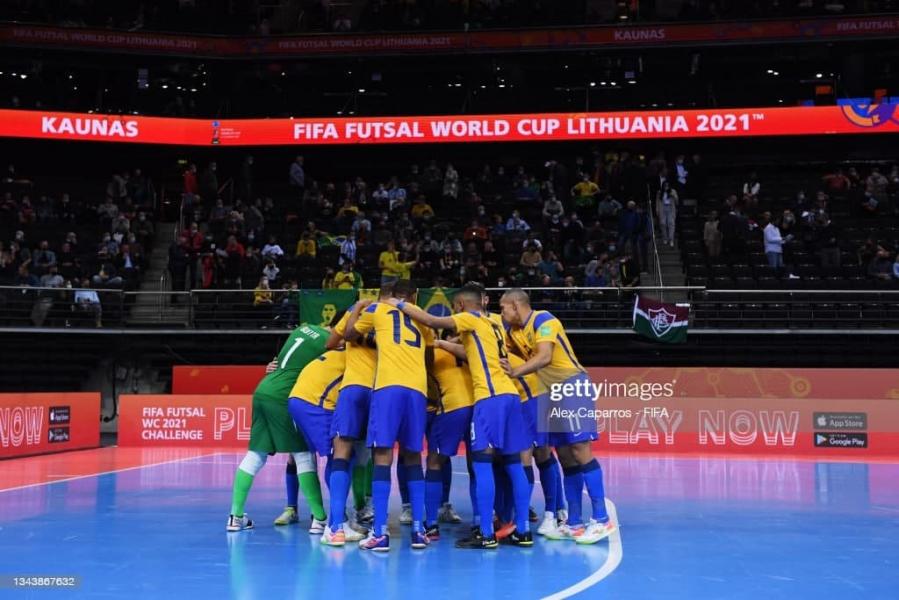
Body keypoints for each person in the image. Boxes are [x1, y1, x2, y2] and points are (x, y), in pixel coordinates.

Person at [389, 287, 533, 549]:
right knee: (513, 462)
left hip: (488, 398)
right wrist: (445, 344)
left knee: (480, 463)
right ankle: (522, 530)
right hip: (511, 396)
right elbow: (473, 353)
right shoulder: (494, 324)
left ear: (460, 305)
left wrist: (398, 304)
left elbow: (432, 320)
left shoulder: (469, 318)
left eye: (455, 307)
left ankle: (484, 533)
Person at [499, 289, 616, 545]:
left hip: (571, 385)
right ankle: (573, 522)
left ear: (516, 305)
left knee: (580, 449)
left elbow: (545, 356)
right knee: (564, 455)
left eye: (504, 307)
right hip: (550, 393)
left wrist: (516, 371)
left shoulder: (543, 320)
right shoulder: (514, 333)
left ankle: (601, 518)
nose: (502, 313)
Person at [343, 280, 434, 552]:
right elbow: (429, 359)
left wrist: (358, 307)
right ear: (414, 296)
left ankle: (380, 533)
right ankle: (419, 530)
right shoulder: (422, 319)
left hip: (388, 388)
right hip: (417, 390)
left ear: (391, 295)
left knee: (382, 455)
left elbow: (349, 334)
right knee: (413, 456)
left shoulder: (378, 310)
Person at [227, 323, 331, 533]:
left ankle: (235, 517)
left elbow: (283, 361)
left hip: (264, 389)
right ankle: (320, 519)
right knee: (303, 455)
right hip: (285, 396)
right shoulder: (328, 341)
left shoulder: (302, 329)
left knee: (255, 456)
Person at [286, 348, 366, 545]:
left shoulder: (340, 352)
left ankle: (339, 521)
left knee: (342, 456)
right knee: (340, 455)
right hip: (315, 403)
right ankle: (334, 526)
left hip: (301, 398)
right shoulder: (360, 358)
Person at [656, 181, 678, 247]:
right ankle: (665, 238)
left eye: (667, 185)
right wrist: (657, 209)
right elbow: (657, 202)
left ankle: (671, 240)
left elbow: (677, 201)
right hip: (662, 208)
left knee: (671, 223)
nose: (666, 187)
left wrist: (673, 195)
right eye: (665, 185)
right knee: (663, 223)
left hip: (670, 208)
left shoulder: (673, 191)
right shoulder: (659, 192)